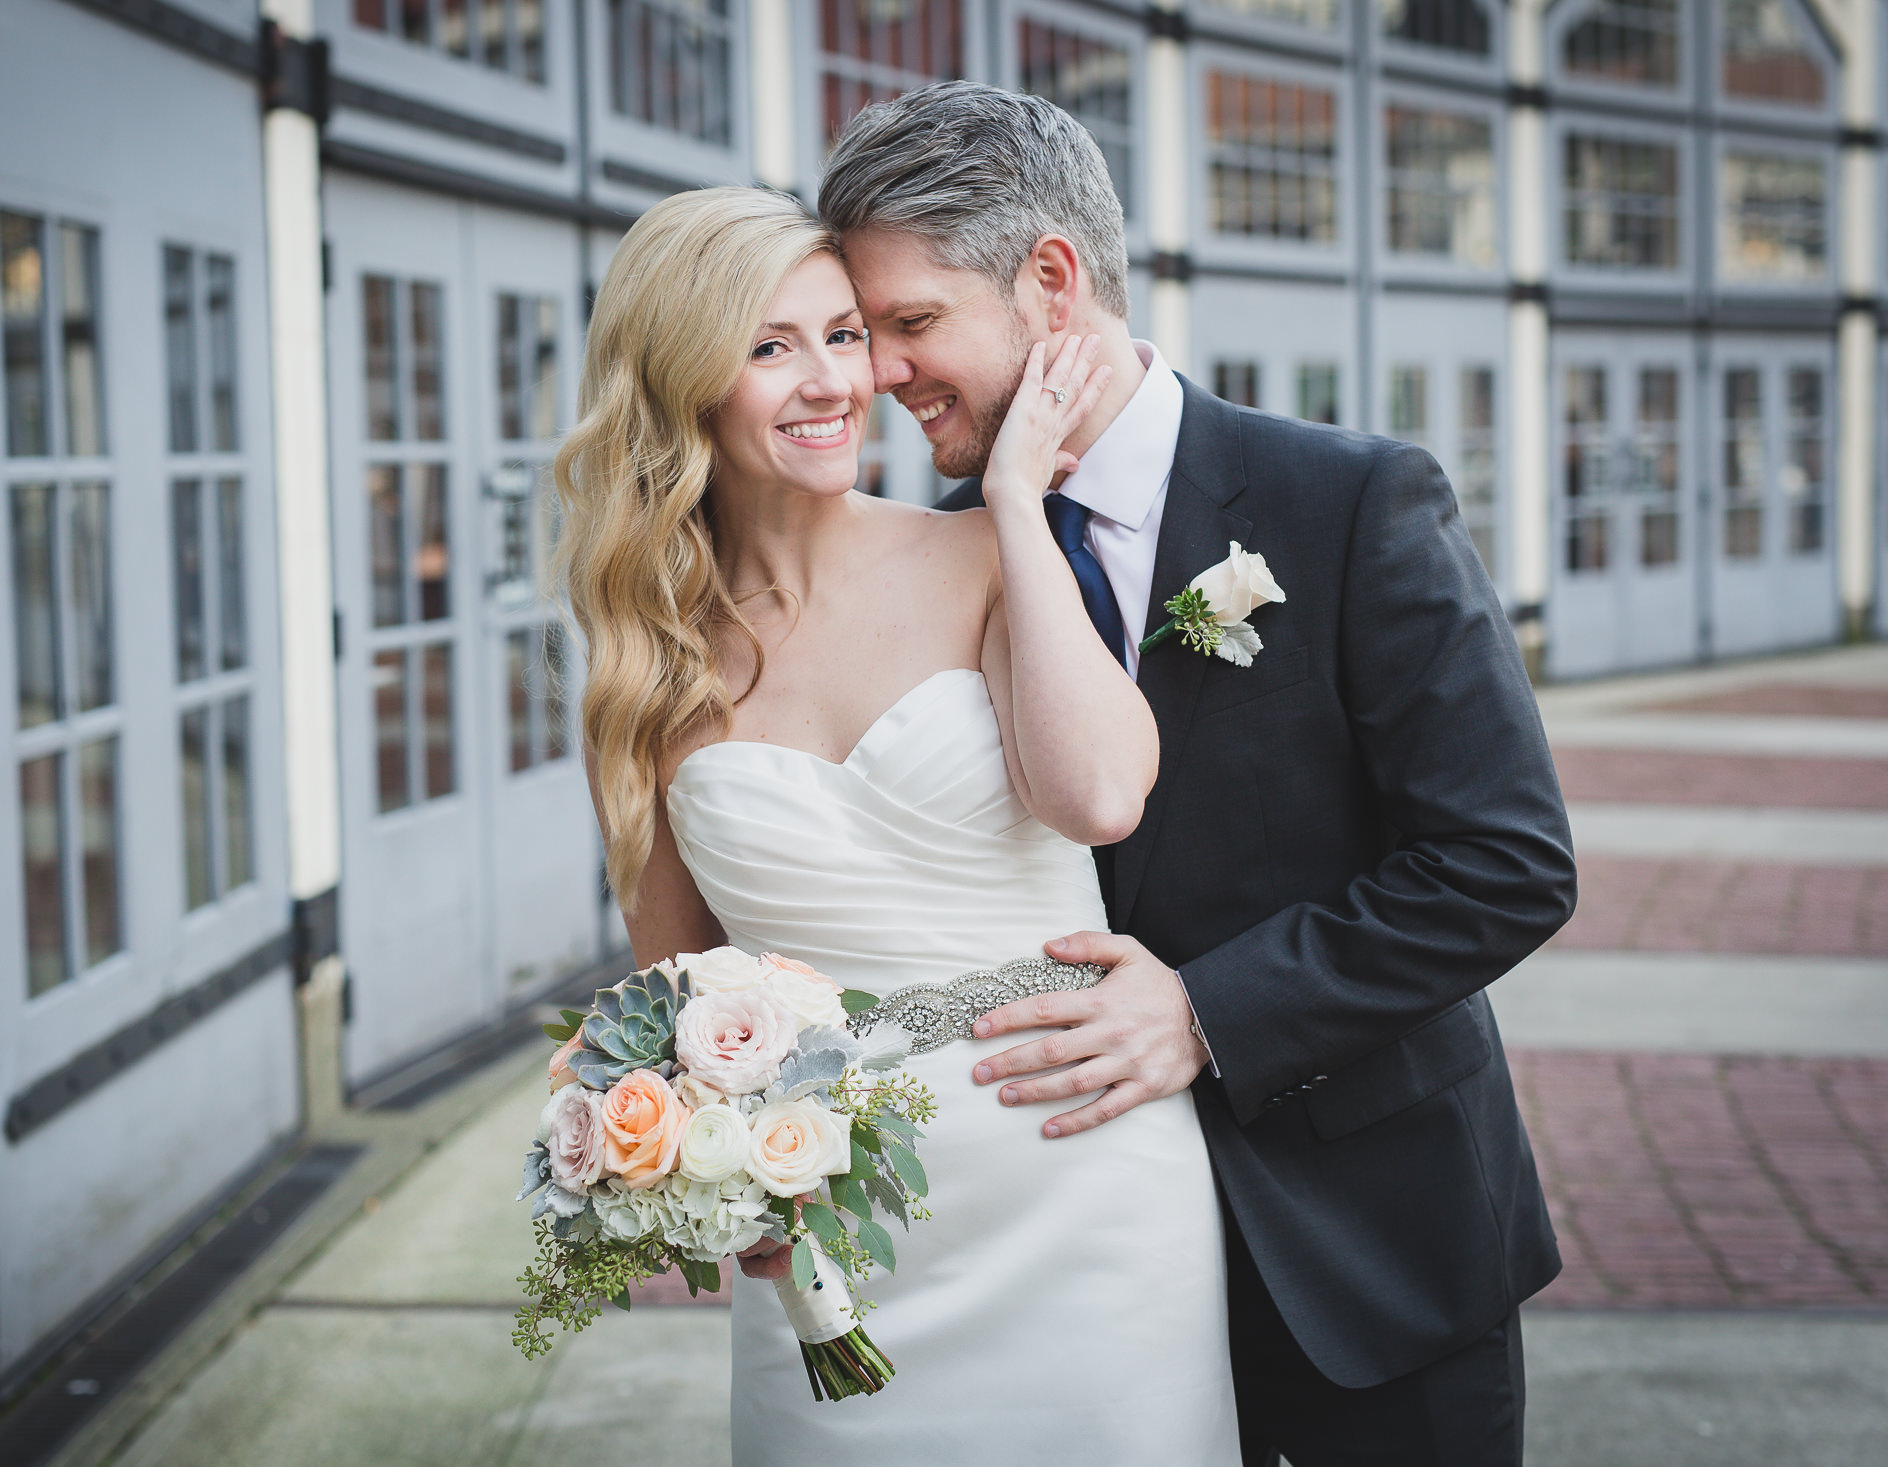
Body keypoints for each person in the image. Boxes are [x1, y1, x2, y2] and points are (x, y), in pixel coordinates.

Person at [817, 81, 1577, 1466]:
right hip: (1070, 1276)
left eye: (910, 323)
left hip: (1372, 1253)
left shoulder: (1348, 502)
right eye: (866, 332)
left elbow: (1505, 863)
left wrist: (1209, 1011)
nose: (876, 373)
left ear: (1052, 283)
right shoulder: (939, 558)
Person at [555, 185, 1240, 1462]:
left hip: (1080, 1163)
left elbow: (1096, 797)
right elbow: (674, 994)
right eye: (770, 346)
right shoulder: (644, 673)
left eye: (844, 335)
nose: (830, 383)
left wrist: (1022, 503)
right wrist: (708, 1176)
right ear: (681, 382)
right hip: (833, 1215)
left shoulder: (985, 552)